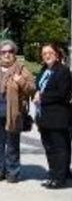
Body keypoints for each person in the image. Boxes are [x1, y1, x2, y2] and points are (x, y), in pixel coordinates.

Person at [0, 40, 36, 183]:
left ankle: (13, 172)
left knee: (12, 143)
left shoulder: (21, 69)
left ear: (14, 53)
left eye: (10, 51)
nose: (7, 54)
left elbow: (31, 88)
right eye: (3, 52)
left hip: (14, 111)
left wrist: (21, 81)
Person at [35, 43, 71, 189]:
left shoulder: (63, 71)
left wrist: (42, 97)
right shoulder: (43, 70)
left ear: (56, 54)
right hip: (44, 117)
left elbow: (62, 94)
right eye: (44, 53)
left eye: (50, 52)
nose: (47, 55)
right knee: (49, 147)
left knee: (60, 148)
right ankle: (53, 174)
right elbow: (38, 88)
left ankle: (60, 178)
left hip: (58, 116)